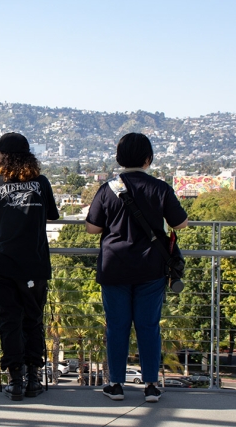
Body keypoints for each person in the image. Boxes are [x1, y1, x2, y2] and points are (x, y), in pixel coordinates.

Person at [85, 132, 188, 403]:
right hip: (151, 268)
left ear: (119, 158)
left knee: (117, 326)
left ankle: (116, 384)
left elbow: (92, 228)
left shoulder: (108, 189)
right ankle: (151, 385)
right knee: (148, 326)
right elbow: (181, 224)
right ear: (148, 159)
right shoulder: (160, 188)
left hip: (115, 268)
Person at [0, 132, 60, 401]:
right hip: (35, 264)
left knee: (9, 321)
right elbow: (51, 214)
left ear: (4, 157)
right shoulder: (42, 182)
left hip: (3, 262)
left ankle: (15, 379)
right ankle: (34, 379)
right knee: (33, 320)